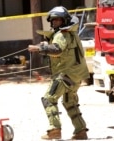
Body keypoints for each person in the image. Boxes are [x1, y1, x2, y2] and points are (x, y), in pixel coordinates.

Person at [28, 6, 90, 140]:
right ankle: (81, 131)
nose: (55, 22)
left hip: (65, 75)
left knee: (48, 99)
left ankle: (54, 130)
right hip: (76, 75)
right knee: (70, 102)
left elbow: (57, 49)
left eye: (58, 20)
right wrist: (46, 45)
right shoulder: (70, 33)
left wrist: (39, 48)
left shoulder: (62, 34)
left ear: (64, 21)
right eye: (53, 20)